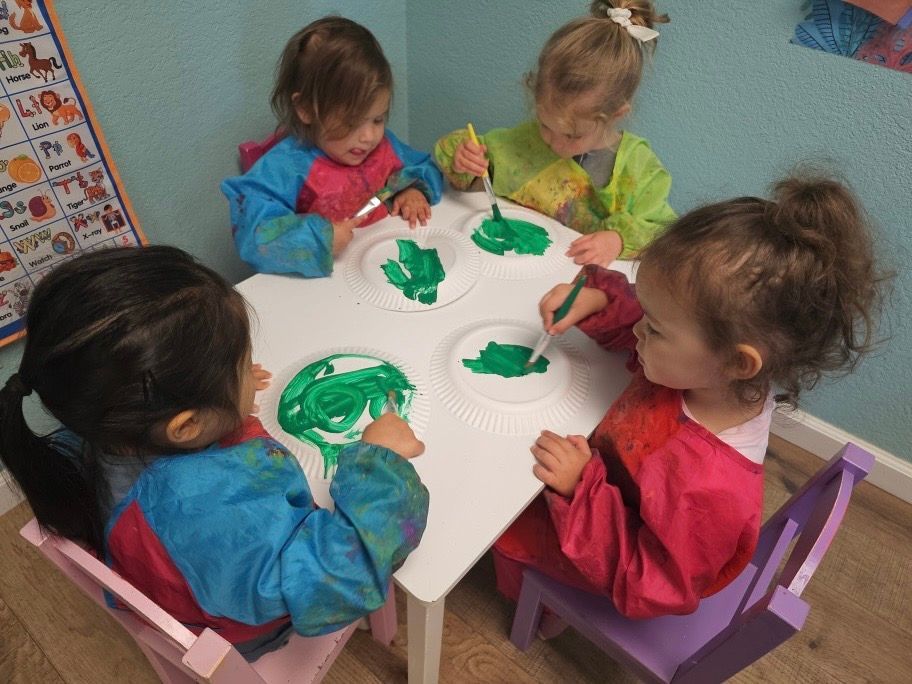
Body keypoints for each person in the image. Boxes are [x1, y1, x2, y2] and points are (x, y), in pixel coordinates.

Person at [0, 246, 429, 660]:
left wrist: (221, 396)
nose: (250, 372)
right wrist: (381, 462)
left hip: (184, 581)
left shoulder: (105, 423)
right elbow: (340, 581)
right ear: (186, 426)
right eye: (243, 365)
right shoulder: (213, 515)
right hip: (242, 630)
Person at [492, 172, 887, 619]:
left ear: (738, 363)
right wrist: (602, 302)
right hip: (603, 477)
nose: (641, 328)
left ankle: (542, 614)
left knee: (502, 527)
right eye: (647, 313)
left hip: (609, 538)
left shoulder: (706, 490)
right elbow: (658, 330)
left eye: (654, 327)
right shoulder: (707, 372)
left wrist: (582, 490)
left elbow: (652, 584)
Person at [435, 0, 674, 267]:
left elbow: (665, 233)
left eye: (572, 136)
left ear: (617, 114)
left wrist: (618, 239)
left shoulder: (639, 170)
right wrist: (465, 159)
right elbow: (468, 176)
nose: (554, 144)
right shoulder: (522, 142)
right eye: (545, 126)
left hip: (581, 288)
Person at [222, 16, 444, 277]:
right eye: (352, 122)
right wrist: (317, 239)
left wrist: (411, 190)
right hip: (322, 287)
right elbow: (253, 231)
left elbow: (420, 166)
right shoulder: (288, 167)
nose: (369, 136)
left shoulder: (383, 147)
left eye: (378, 119)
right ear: (306, 109)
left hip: (384, 262)